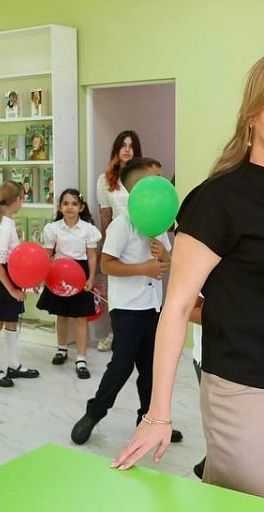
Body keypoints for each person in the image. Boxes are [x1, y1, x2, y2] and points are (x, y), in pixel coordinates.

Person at [111, 51, 264, 512]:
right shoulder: (219, 199)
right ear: (252, 111)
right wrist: (158, 414)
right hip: (245, 390)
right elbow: (177, 307)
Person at [72, 158, 183, 445]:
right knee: (121, 366)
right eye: (155, 178)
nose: (162, 185)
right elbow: (106, 265)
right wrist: (143, 268)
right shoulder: (122, 224)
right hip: (127, 310)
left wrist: (164, 257)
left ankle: (148, 420)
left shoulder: (159, 223)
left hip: (153, 308)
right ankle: (93, 413)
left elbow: (167, 263)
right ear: (137, 188)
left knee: (151, 369)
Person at [37, 189, 101, 379]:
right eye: (66, 203)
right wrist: (42, 276)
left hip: (81, 273)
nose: (70, 207)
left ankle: (81, 358)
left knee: (81, 317)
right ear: (60, 207)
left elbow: (92, 256)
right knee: (62, 314)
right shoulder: (53, 229)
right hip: (59, 273)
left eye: (74, 204)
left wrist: (91, 278)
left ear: (81, 207)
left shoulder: (88, 230)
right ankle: (62, 348)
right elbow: (48, 254)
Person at [0, 181, 40, 387]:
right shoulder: (5, 227)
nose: (23, 202)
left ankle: (13, 365)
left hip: (9, 276)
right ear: (16, 200)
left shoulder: (6, 221)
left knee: (12, 321)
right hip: (1, 281)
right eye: (22, 198)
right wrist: (13, 290)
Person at [95, 130, 142, 351]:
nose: (127, 150)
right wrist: (106, 244)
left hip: (140, 237)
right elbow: (105, 214)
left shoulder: (143, 178)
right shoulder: (104, 180)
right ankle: (115, 333)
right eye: (123, 145)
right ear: (116, 149)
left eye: (131, 146)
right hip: (117, 238)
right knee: (115, 289)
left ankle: (138, 335)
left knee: (139, 285)